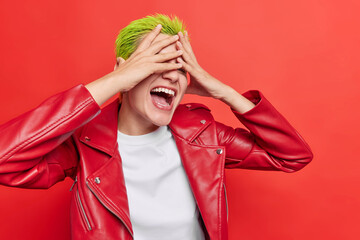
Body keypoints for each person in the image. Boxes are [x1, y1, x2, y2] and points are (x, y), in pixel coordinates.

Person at [0, 14, 313, 240]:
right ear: (125, 72)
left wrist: (223, 92)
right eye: (156, 62)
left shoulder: (202, 137)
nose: (171, 75)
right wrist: (113, 82)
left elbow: (292, 156)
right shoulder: (82, 145)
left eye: (180, 67)